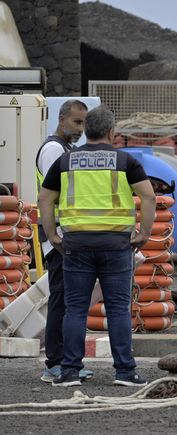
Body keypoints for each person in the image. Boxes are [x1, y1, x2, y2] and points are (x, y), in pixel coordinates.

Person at [36, 105, 154, 387]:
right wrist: (144, 234)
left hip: (76, 244)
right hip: (116, 244)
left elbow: (44, 199)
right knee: (118, 308)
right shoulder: (124, 161)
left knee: (75, 308)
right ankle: (125, 372)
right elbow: (148, 197)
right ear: (111, 132)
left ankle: (69, 371)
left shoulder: (66, 160)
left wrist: (52, 235)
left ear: (87, 130)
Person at [34, 99, 94, 383]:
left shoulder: (67, 149)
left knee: (68, 300)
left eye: (84, 123)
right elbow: (53, 193)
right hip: (57, 236)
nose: (81, 129)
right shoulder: (53, 150)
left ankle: (67, 361)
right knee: (60, 299)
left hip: (66, 234)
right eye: (76, 122)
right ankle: (55, 362)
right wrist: (55, 235)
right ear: (61, 119)